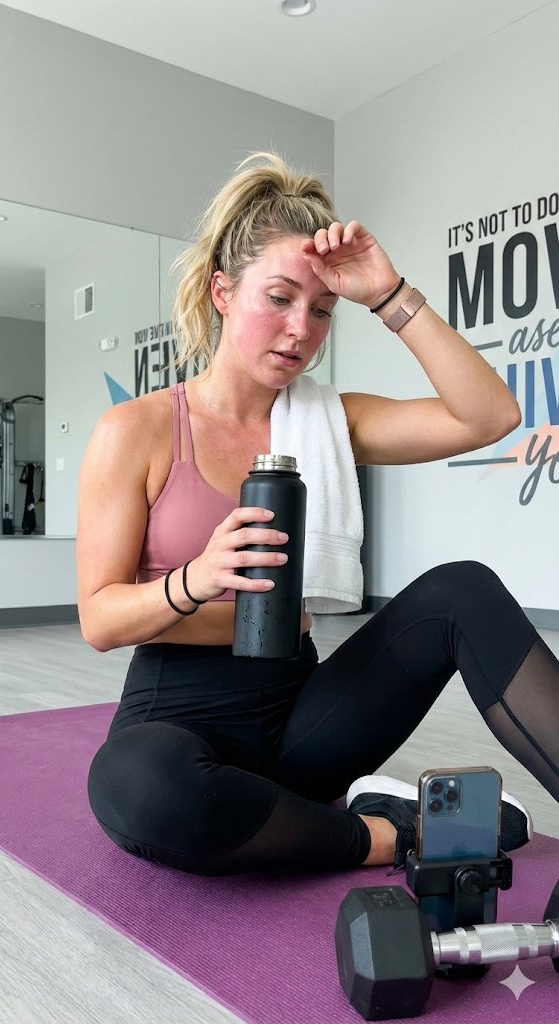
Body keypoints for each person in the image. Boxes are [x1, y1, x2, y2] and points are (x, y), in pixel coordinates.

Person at [80, 152, 558, 876]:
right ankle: (393, 834)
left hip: (305, 718)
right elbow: (99, 618)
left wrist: (388, 294)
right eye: (278, 298)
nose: (300, 329)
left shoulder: (328, 424)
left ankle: (316, 819)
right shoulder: (136, 430)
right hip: (178, 715)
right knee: (137, 788)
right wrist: (196, 579)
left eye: (323, 310)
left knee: (462, 589)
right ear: (221, 291)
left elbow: (490, 416)